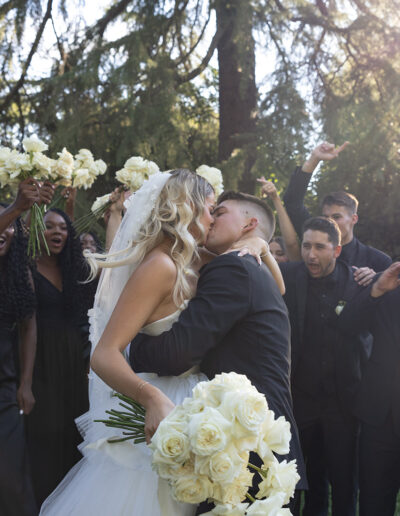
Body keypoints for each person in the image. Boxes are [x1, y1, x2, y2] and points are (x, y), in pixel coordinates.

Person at [130, 190, 307, 514]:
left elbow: (176, 354)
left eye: (219, 212)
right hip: (261, 452)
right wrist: (262, 246)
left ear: (249, 224)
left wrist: (133, 343)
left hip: (249, 458)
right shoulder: (254, 269)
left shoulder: (232, 268)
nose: (209, 218)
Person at [279, 216, 372, 516]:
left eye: (320, 247)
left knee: (345, 484)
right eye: (306, 246)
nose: (310, 254)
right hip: (301, 401)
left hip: (343, 405)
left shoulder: (358, 283)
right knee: (303, 481)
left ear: (337, 250)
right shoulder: (290, 276)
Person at [26, 208, 93, 507]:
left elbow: (113, 269)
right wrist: (25, 383)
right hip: (39, 361)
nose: (57, 232)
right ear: (37, 232)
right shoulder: (26, 267)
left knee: (72, 431)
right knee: (43, 432)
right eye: (50, 227)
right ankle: (42, 503)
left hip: (73, 363)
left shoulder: (74, 269)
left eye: (63, 228)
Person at [337, 261, 400, 516]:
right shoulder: (387, 287)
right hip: (379, 418)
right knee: (374, 504)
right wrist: (377, 291)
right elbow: (346, 326)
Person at [283, 142, 392, 284]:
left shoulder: (377, 261)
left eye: (336, 217)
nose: (330, 222)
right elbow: (292, 202)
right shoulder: (314, 233)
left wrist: (376, 279)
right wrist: (314, 159)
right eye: (326, 216)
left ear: (354, 219)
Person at [0, 202, 38, 516]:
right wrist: (17, 207)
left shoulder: (17, 270)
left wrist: (25, 383)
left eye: (12, 224)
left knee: (11, 476)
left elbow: (29, 326)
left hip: (4, 385)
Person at [257, 177, 301, 263]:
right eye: (268, 254)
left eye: (280, 253)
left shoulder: (296, 268)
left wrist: (275, 197)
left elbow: (291, 244)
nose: (273, 257)